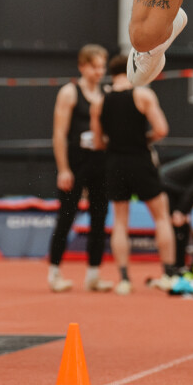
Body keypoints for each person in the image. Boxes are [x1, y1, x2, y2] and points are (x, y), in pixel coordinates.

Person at [92, 55, 180, 294]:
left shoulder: (99, 102)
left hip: (114, 162)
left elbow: (97, 142)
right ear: (133, 69)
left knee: (120, 221)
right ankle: (168, 274)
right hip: (140, 159)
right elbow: (161, 129)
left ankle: (124, 279)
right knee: (161, 217)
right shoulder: (143, 95)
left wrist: (116, 143)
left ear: (111, 74)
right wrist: (145, 139)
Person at [46, 44, 112, 293]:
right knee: (66, 216)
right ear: (82, 66)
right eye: (94, 67)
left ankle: (93, 274)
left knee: (99, 217)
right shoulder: (69, 92)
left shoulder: (105, 93)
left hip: (100, 162)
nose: (99, 72)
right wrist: (63, 168)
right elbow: (59, 134)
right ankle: (54, 272)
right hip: (75, 162)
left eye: (102, 67)